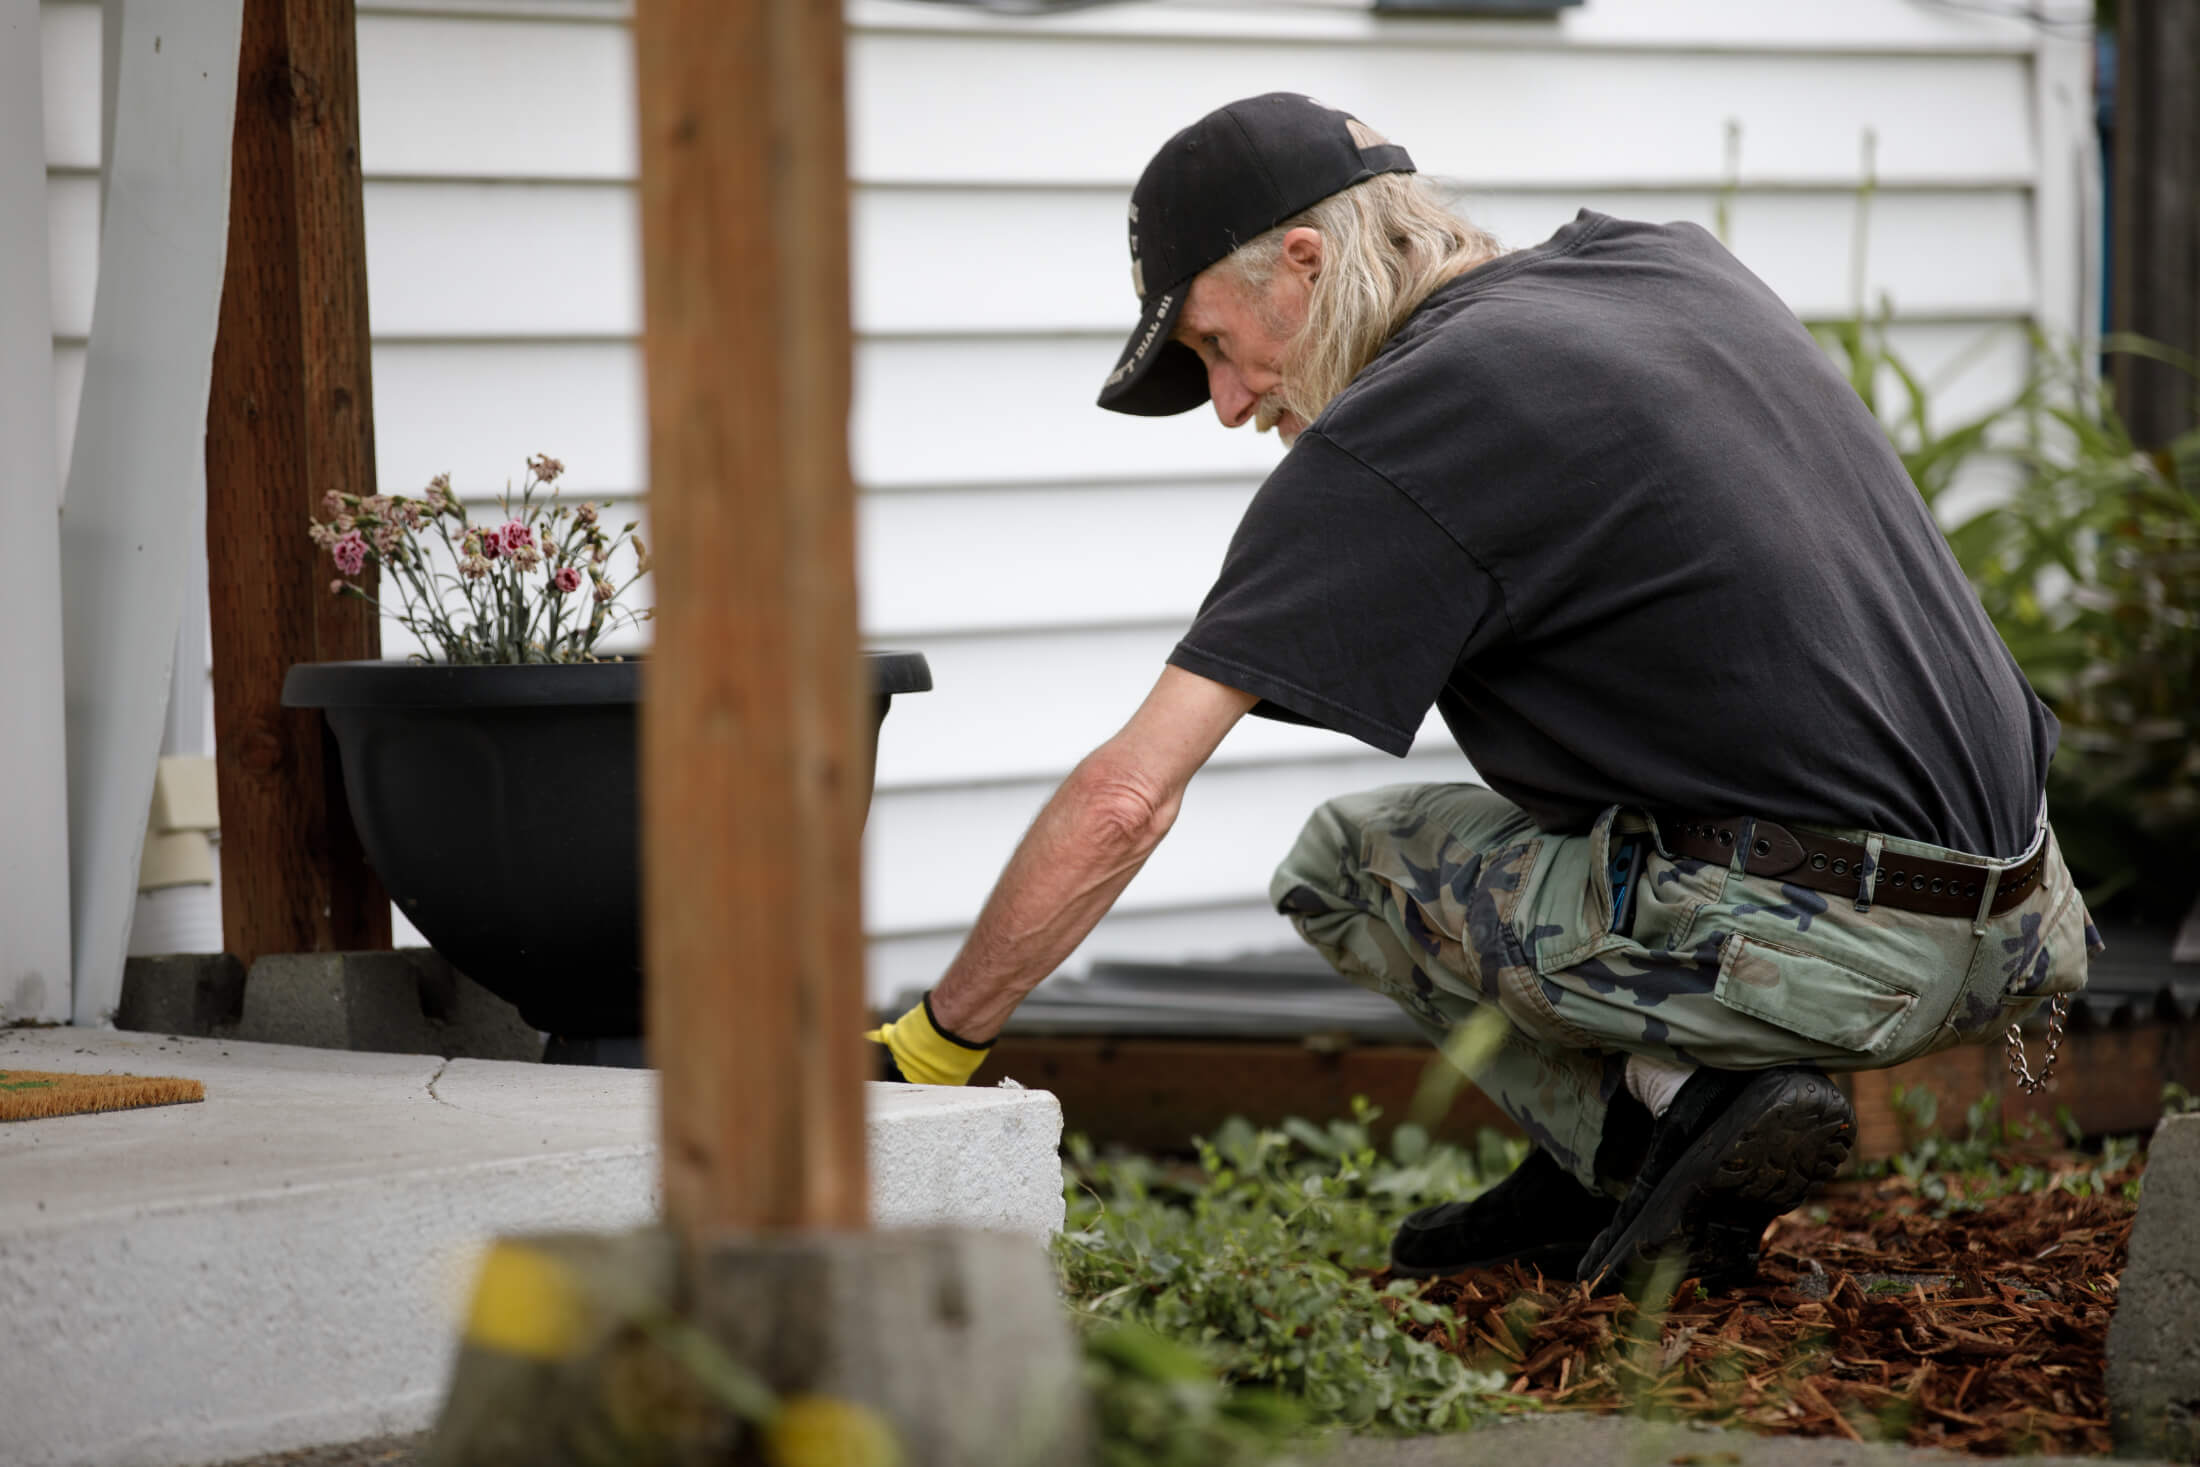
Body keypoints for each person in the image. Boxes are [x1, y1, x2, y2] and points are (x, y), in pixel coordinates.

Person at [867, 93, 2098, 1291]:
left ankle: (1657, 1125)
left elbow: (1128, 797)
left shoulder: (1407, 423)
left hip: (1839, 952)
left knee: (1347, 857)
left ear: (1300, 262)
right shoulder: (1667, 269)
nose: (1232, 404)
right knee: (1570, 806)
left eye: (1211, 346)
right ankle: (1606, 1159)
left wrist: (933, 1044)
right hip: (2031, 916)